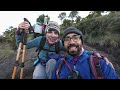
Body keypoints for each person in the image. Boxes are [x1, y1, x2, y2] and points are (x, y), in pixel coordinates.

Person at [51, 27, 120, 79]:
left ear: (82, 42)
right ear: (63, 45)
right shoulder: (60, 64)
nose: (71, 42)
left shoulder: (99, 63)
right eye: (67, 39)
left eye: (75, 37)